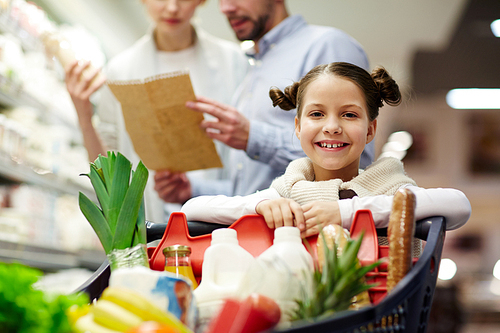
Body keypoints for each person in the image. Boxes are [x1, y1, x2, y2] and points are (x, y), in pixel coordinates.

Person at [180, 62, 471, 238]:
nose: (331, 127)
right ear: (297, 126)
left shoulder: (389, 189)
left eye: (349, 114)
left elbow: (458, 205)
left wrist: (345, 212)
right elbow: (192, 208)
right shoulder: (288, 191)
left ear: (370, 130)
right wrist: (257, 206)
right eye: (317, 114)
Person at [154, 0, 374, 205]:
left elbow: (353, 159)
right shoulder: (253, 67)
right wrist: (192, 189)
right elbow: (253, 191)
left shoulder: (327, 45)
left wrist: (253, 137)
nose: (226, 7)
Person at [64, 0, 248, 223]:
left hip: (218, 225)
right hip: (149, 231)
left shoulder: (234, 62)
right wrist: (84, 117)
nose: (172, 8)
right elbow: (106, 171)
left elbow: (249, 170)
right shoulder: (120, 70)